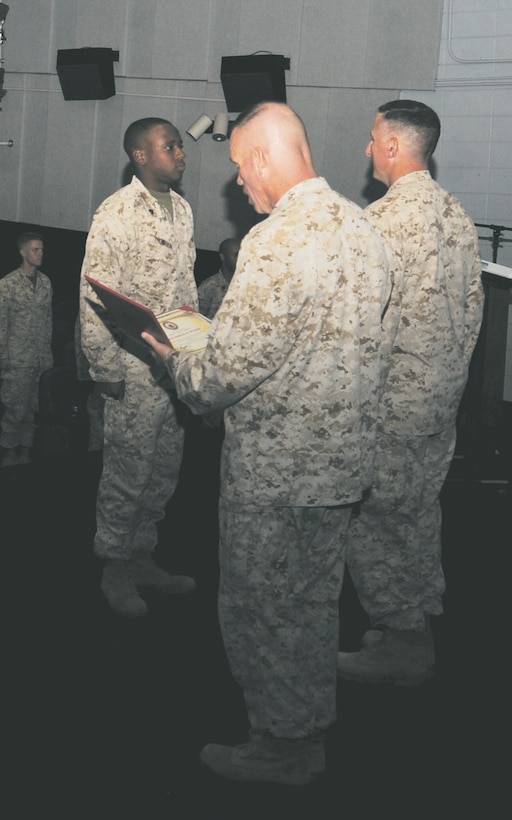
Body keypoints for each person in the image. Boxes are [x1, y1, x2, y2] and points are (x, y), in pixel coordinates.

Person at [142, 102, 390, 785]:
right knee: (311, 607)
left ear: (259, 158)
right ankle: (307, 727)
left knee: (261, 611)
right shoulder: (363, 230)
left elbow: (218, 377)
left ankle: (282, 746)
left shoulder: (276, 240)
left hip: (276, 477)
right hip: (341, 468)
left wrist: (173, 355)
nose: (238, 186)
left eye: (237, 170)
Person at [337, 100, 484, 686]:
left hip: (391, 407)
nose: (367, 150)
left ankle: (401, 645)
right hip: (439, 402)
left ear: (394, 147)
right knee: (420, 514)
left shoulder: (384, 221)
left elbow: (360, 328)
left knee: (378, 522)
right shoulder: (457, 216)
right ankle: (416, 619)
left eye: (373, 140)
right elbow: (475, 310)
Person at [79, 117, 198, 617]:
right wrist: (104, 367)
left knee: (163, 470)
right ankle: (115, 568)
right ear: (141, 156)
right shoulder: (118, 212)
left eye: (179, 146)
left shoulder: (184, 210)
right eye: (169, 146)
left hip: (172, 370)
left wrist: (194, 357)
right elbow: (93, 294)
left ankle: (144, 557)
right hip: (132, 369)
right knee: (127, 473)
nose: (181, 153)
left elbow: (187, 290)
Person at [0, 232, 54, 467]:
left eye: (42, 249)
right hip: (17, 358)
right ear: (23, 252)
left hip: (41, 358)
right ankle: (8, 452)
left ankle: (25, 451)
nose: (40, 254)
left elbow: (49, 320)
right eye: (35, 250)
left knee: (33, 409)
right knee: (14, 408)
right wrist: (3, 358)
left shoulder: (45, 283)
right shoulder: (7, 285)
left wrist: (48, 354)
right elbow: (1, 324)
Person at [197, 237, 240, 319]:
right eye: (235, 254)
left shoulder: (245, 284)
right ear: (223, 257)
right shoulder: (209, 286)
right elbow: (198, 318)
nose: (239, 259)